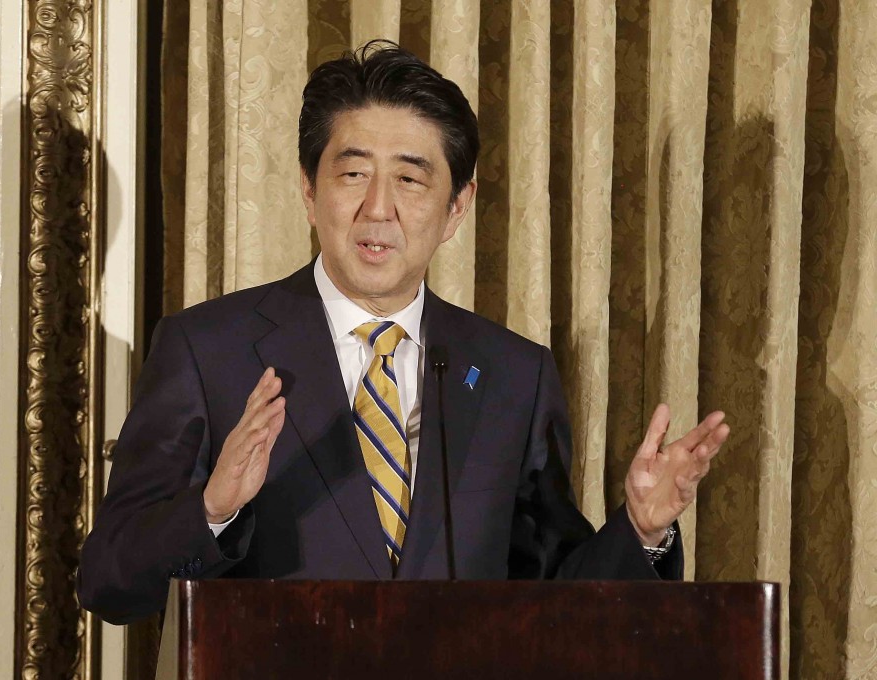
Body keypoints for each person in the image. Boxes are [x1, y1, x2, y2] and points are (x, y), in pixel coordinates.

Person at [78, 41, 729, 626]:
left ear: (456, 208)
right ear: (309, 191)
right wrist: (213, 508)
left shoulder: (511, 375)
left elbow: (556, 601)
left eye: (411, 179)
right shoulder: (207, 351)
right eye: (353, 173)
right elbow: (108, 582)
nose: (378, 208)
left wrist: (640, 529)